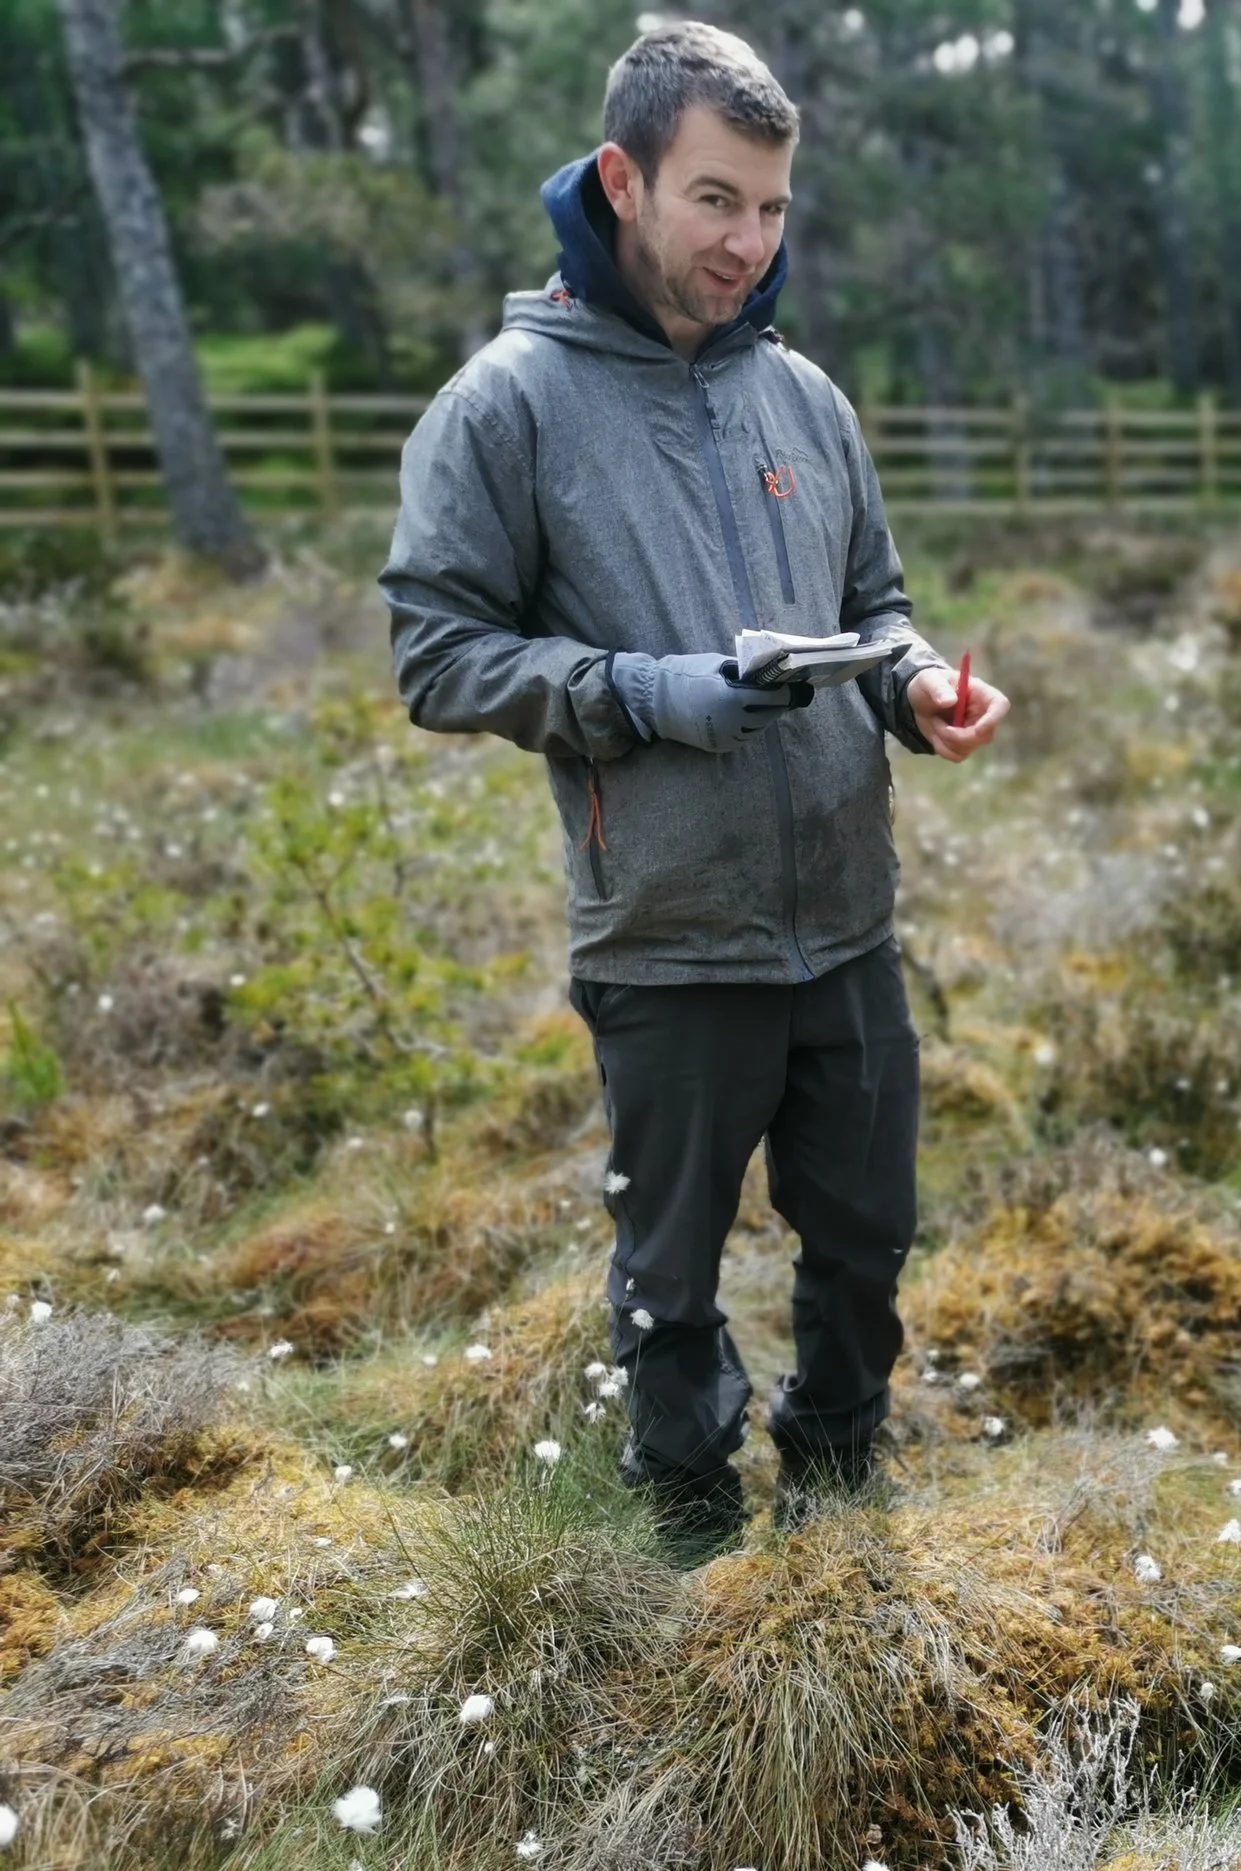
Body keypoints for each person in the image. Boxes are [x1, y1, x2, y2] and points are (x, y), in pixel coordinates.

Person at [380, 23, 1006, 1563]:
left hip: (846, 925)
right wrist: (645, 694)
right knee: (669, 1270)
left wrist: (917, 686)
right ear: (622, 179)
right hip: (665, 935)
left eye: (775, 208)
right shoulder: (504, 406)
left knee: (864, 1239)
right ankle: (688, 1535)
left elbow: (879, 599)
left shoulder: (807, 398)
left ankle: (846, 1488)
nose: (751, 242)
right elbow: (436, 653)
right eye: (717, 201)